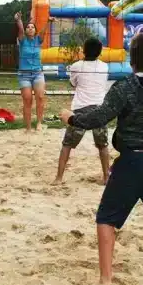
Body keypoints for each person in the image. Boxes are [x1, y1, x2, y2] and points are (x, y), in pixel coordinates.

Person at [58, 33, 143, 285]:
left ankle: (106, 280)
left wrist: (71, 119)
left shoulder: (124, 87)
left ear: (131, 59)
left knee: (106, 218)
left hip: (132, 160)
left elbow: (99, 117)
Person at [52, 37, 111, 186]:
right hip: (99, 109)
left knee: (67, 144)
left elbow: (73, 83)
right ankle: (106, 177)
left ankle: (59, 178)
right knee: (103, 145)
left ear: (83, 50)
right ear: (100, 52)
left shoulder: (76, 66)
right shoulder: (104, 67)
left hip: (81, 110)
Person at [15, 11, 46, 133]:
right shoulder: (22, 40)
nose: (30, 28)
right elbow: (21, 31)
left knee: (40, 97)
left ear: (35, 30)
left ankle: (39, 123)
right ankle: (28, 126)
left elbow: (43, 32)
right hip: (24, 75)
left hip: (38, 73)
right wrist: (19, 20)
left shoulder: (38, 40)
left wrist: (48, 21)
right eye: (28, 27)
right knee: (27, 100)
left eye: (32, 27)